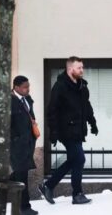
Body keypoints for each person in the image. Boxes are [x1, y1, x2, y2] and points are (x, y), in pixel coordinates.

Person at [39, 56, 98, 205]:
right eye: (79, 68)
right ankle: (77, 194)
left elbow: (87, 106)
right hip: (66, 130)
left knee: (74, 159)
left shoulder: (82, 86)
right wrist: (53, 132)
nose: (82, 70)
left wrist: (93, 122)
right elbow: (51, 110)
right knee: (79, 159)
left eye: (82, 68)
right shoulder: (60, 86)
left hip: (78, 129)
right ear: (70, 69)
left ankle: (49, 185)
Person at [10, 75, 38, 215]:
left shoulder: (27, 99)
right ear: (16, 87)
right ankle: (24, 207)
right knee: (21, 176)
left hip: (27, 144)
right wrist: (16, 139)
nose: (28, 89)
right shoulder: (10, 101)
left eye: (28, 86)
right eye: (25, 87)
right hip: (17, 146)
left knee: (18, 175)